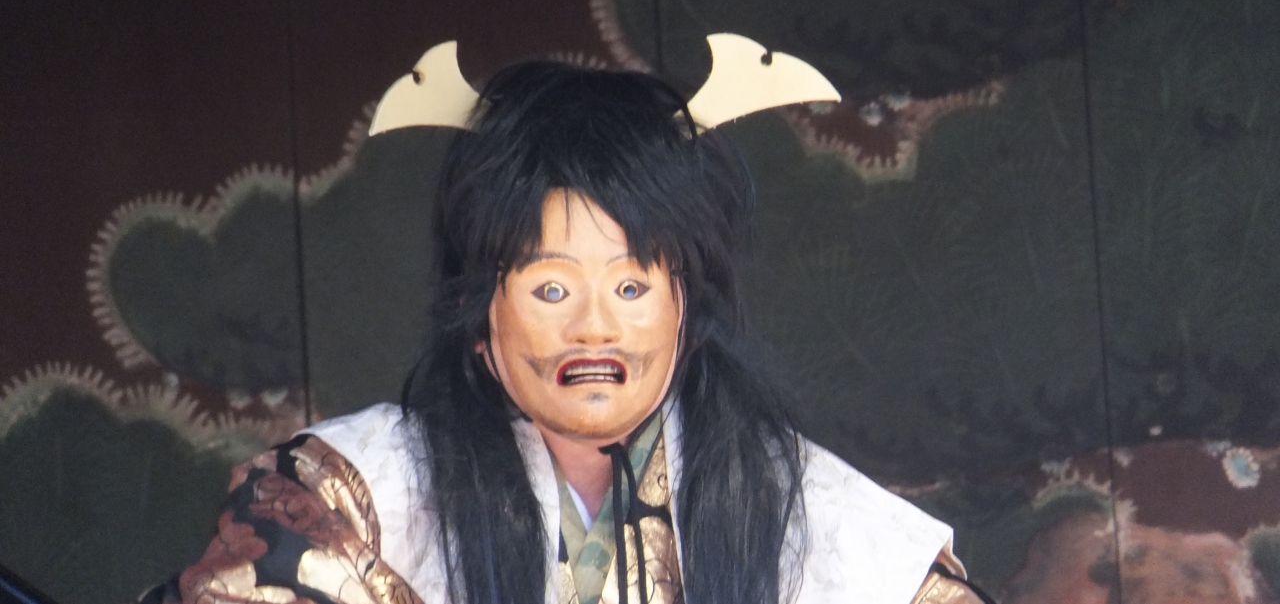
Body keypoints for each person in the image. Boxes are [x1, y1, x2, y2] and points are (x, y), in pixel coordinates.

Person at [140, 57, 990, 604]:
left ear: (685, 309)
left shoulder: (792, 494)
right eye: (551, 287)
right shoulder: (359, 479)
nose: (595, 326)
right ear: (479, 314)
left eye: (630, 285)